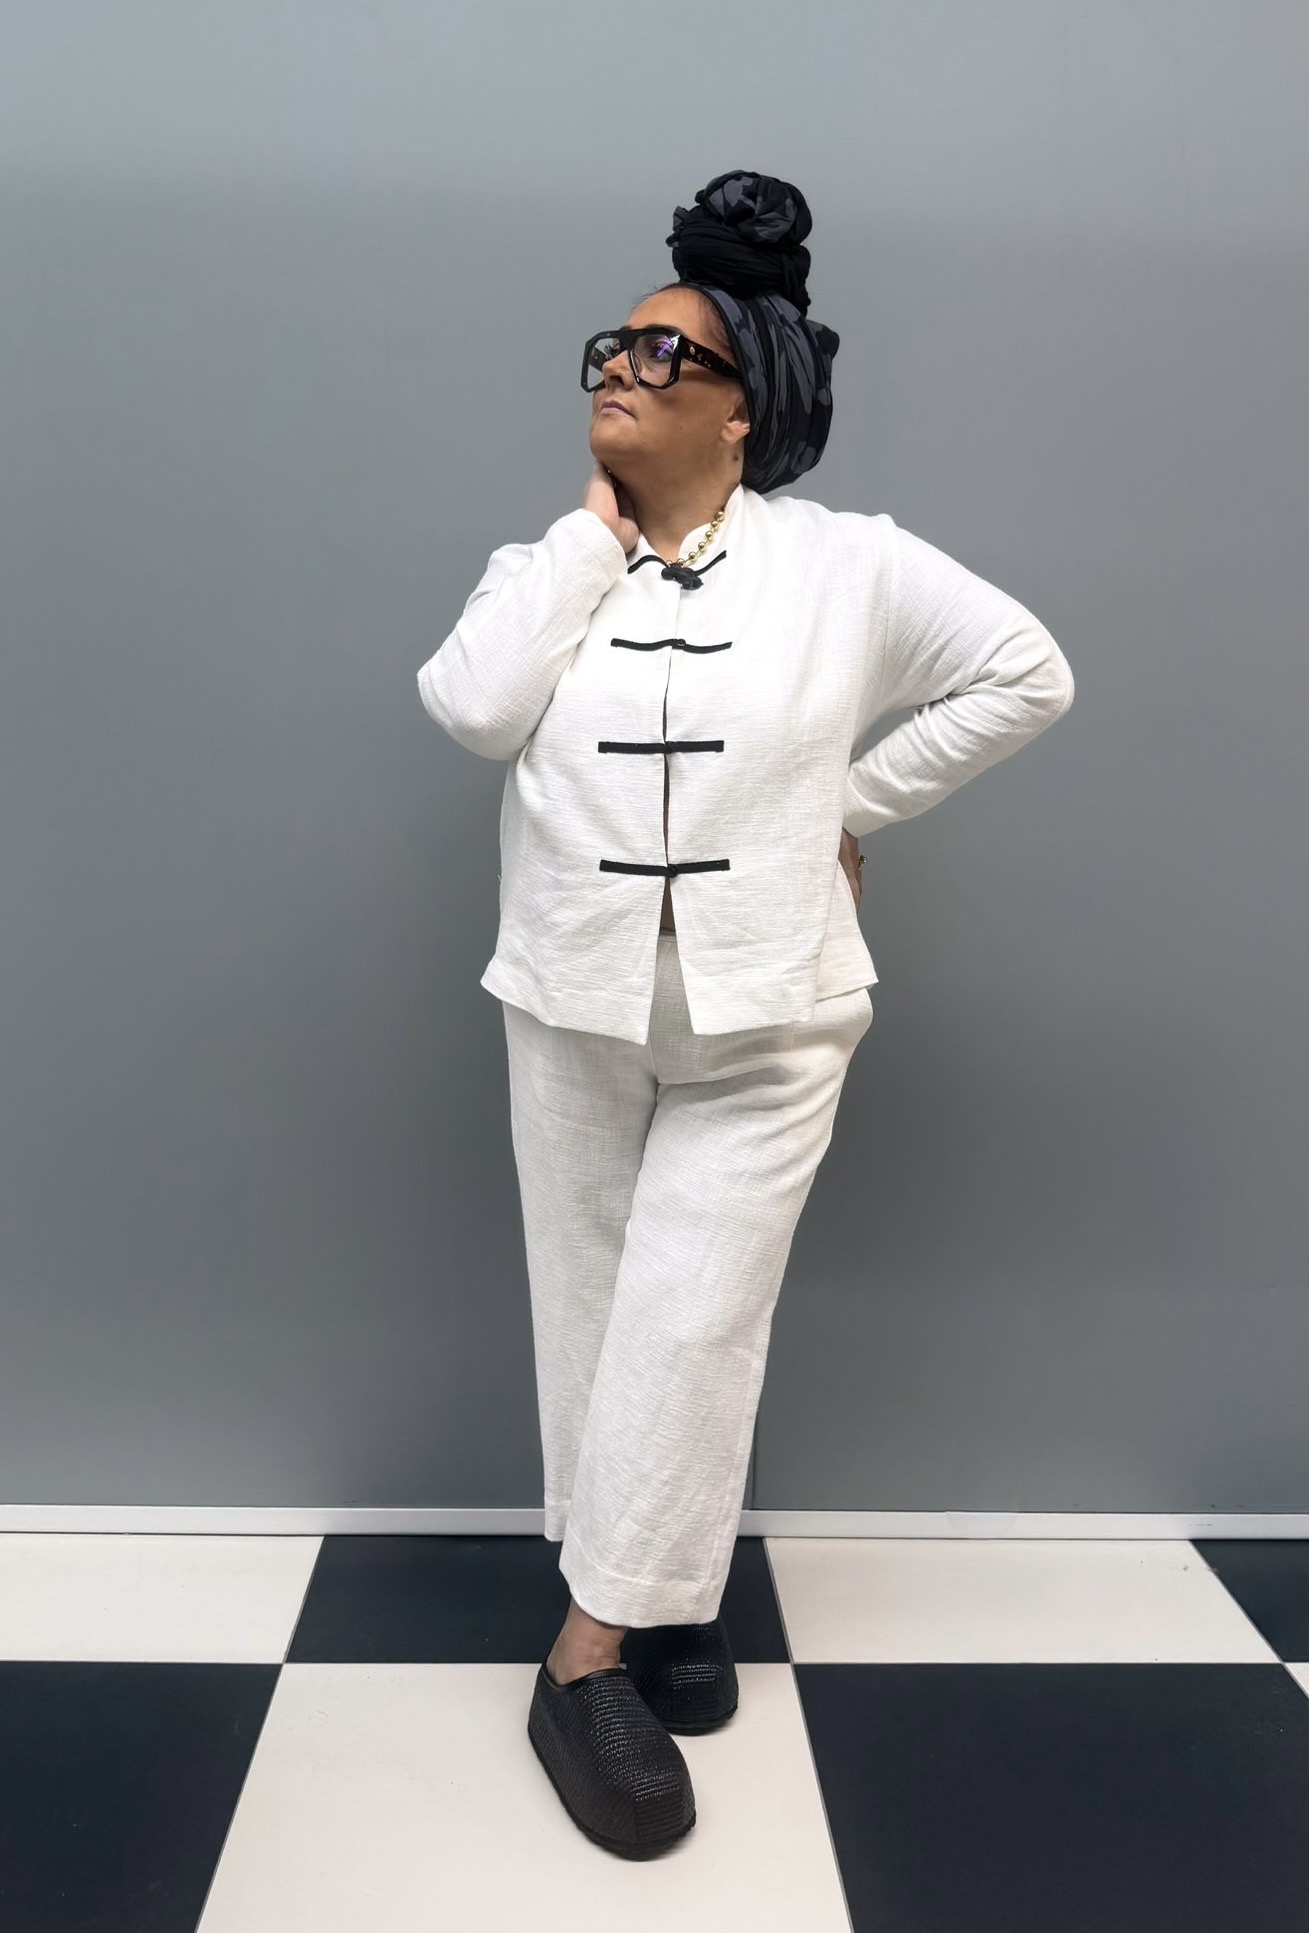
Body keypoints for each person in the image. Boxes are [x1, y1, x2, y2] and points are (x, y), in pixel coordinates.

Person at [416, 169, 1075, 1856]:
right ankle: (666, 1599)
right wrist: (588, 538)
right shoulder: (543, 565)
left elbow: (1026, 669)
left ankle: (581, 1663)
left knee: (692, 1315)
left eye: (664, 351)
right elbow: (472, 707)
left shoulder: (848, 566)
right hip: (568, 995)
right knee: (592, 1312)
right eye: (610, 344)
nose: (618, 367)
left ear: (742, 408)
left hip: (771, 1008)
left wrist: (850, 803)